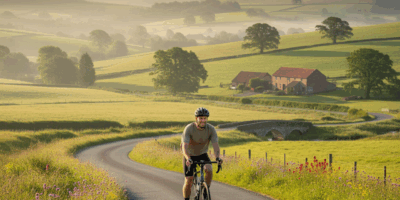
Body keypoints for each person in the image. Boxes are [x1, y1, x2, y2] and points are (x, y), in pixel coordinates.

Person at [181, 107, 223, 200]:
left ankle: (205, 189)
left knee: (209, 169)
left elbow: (215, 145)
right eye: (201, 118)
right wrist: (188, 158)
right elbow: (184, 147)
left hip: (202, 154)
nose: (203, 120)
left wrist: (217, 157)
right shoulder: (189, 128)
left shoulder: (211, 129)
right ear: (196, 119)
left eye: (205, 118)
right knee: (189, 180)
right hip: (189, 155)